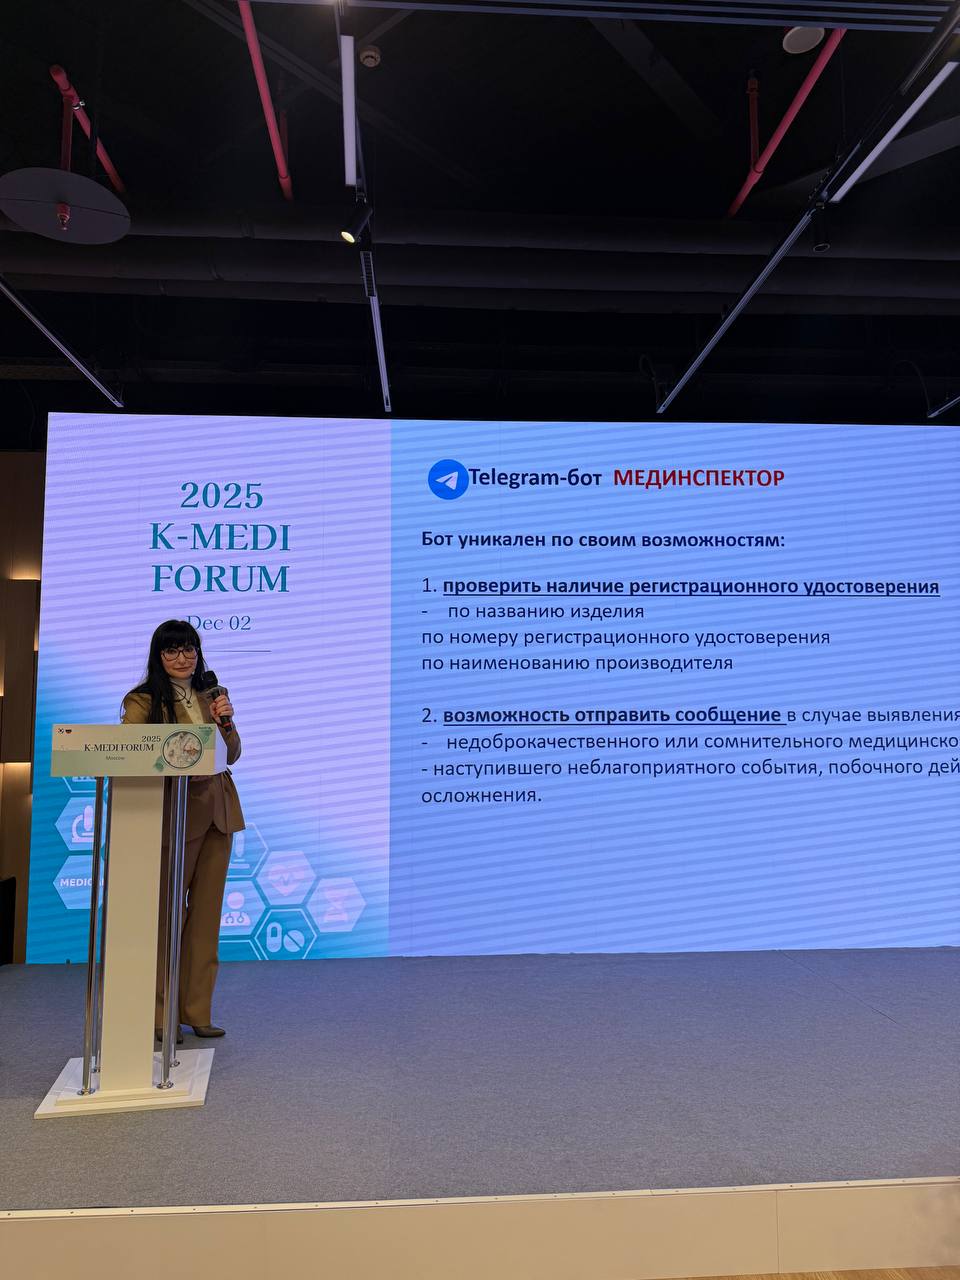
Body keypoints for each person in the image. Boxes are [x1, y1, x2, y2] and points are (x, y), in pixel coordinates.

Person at [121, 619, 244, 1040]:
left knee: (206, 919)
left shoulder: (213, 694)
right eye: (172, 650)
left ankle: (197, 1011)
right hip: (174, 811)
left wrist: (226, 722)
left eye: (189, 649)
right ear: (159, 656)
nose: (182, 658)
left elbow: (234, 752)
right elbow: (131, 751)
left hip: (218, 811)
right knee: (167, 916)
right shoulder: (143, 700)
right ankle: (161, 1015)